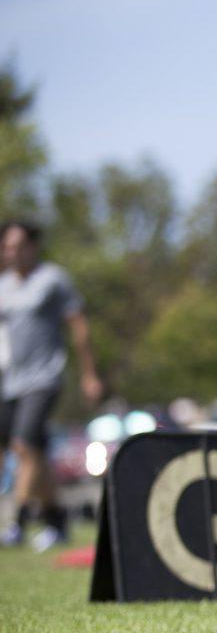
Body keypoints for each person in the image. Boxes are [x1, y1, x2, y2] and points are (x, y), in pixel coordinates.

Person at [0, 220, 103, 551]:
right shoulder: (3, 286)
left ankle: (17, 521)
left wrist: (89, 374)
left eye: (17, 246)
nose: (11, 252)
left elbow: (79, 326)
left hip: (44, 377)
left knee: (23, 445)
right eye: (7, 246)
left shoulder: (53, 279)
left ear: (33, 246)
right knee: (37, 454)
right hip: (10, 381)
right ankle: (57, 519)